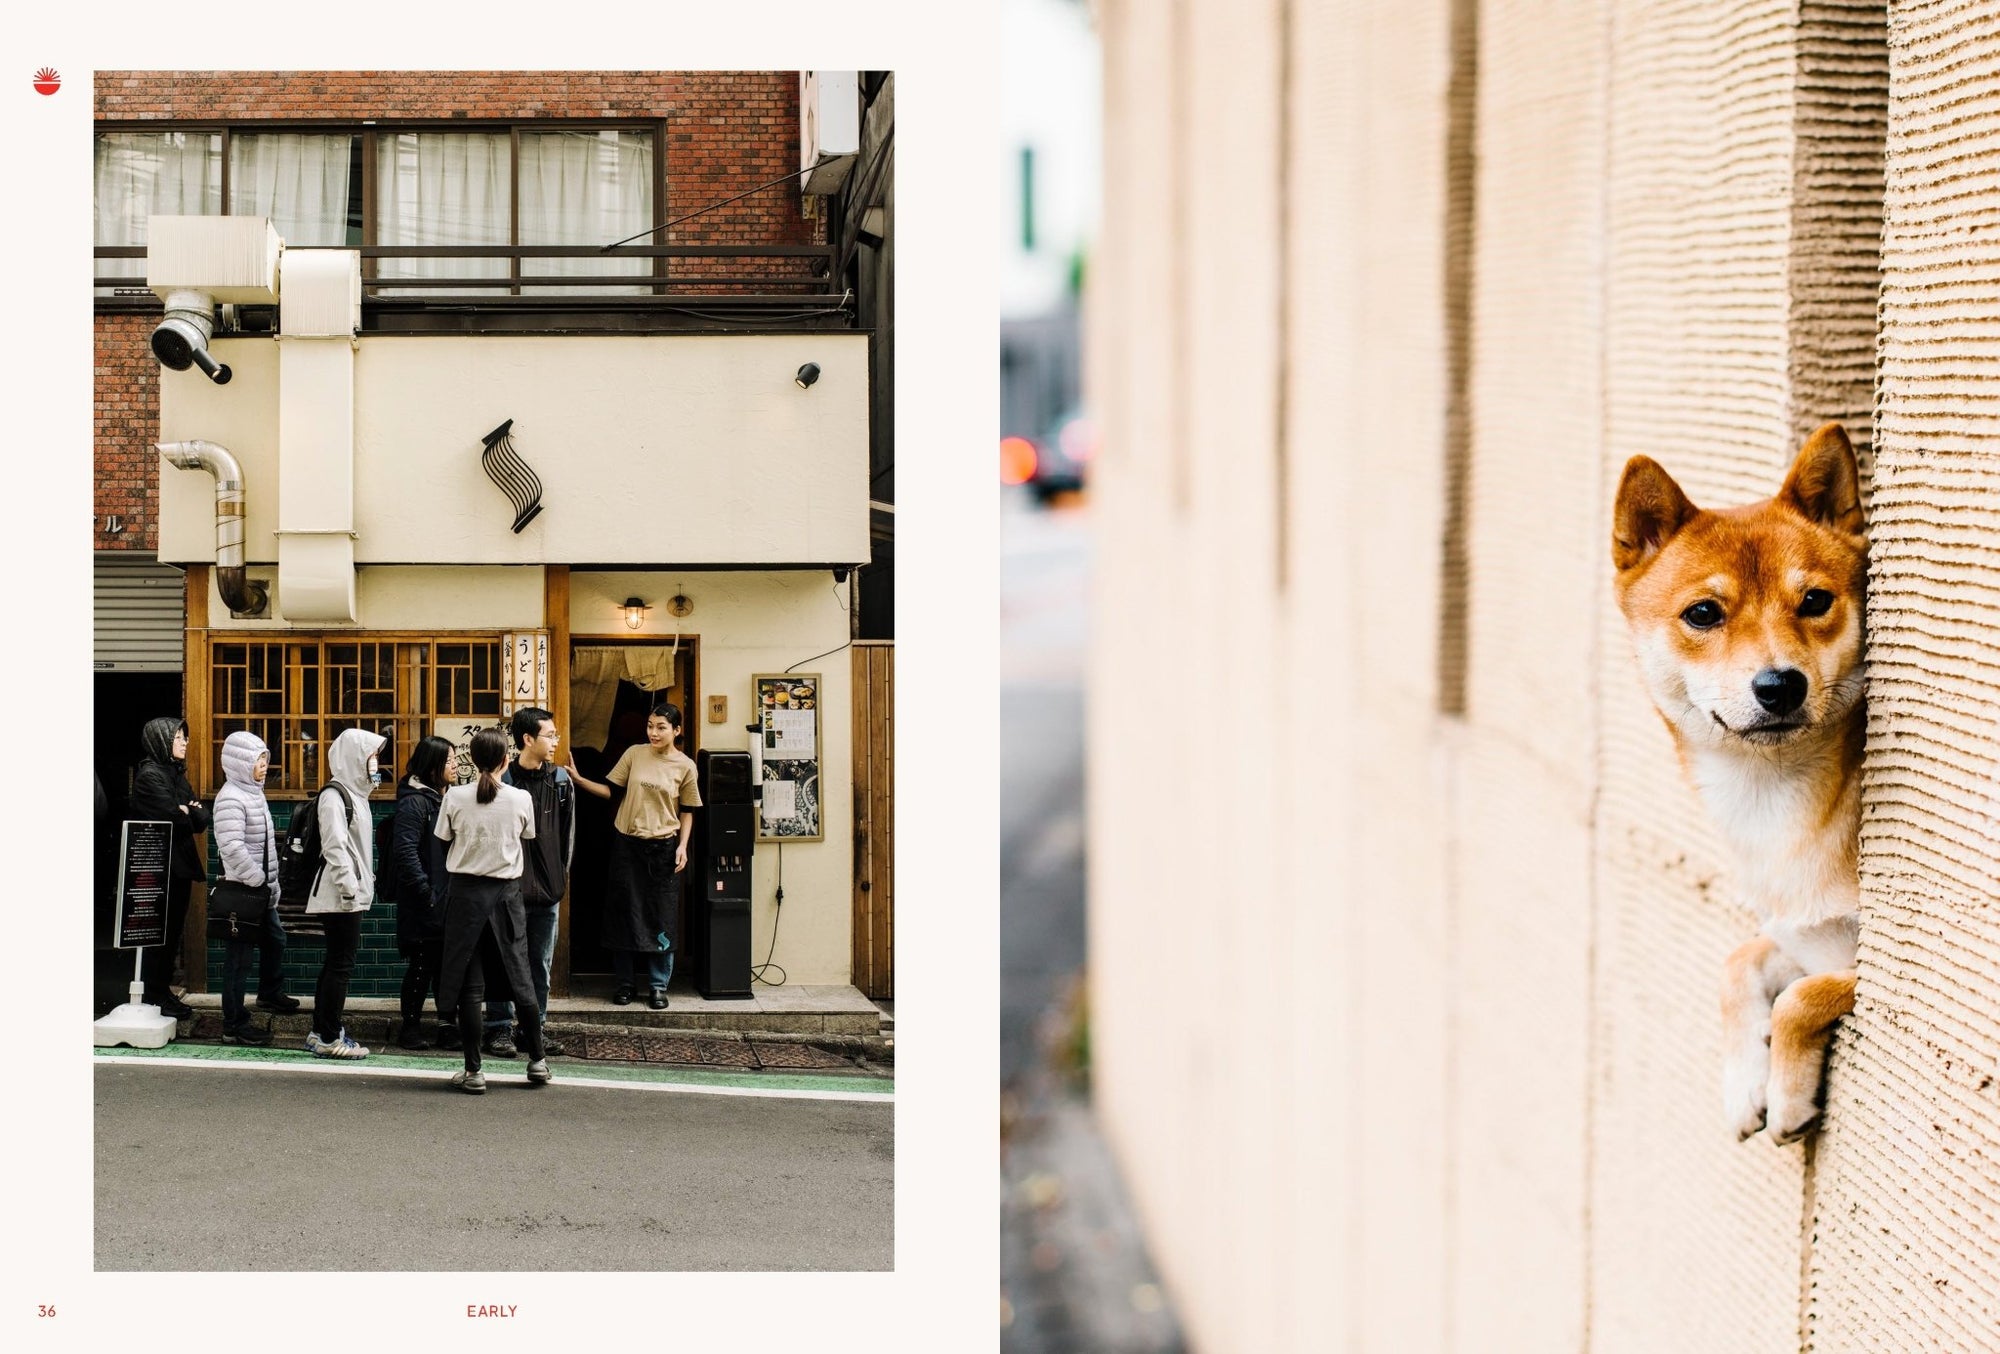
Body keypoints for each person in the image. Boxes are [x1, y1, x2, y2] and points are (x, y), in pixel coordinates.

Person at [435, 727, 551, 1094]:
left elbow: (442, 842)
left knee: (471, 987)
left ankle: (474, 1071)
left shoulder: (454, 796)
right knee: (521, 979)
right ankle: (537, 1061)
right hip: (505, 896)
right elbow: (528, 840)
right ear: (506, 759)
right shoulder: (519, 799)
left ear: (472, 758)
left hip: (465, 897)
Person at [480, 707, 599, 1059]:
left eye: (556, 735)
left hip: (547, 890)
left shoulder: (561, 781)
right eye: (550, 735)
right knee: (503, 959)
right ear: (527, 739)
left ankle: (533, 1027)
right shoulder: (503, 782)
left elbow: (568, 836)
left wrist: (560, 879)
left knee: (539, 963)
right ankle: (498, 1028)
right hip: (507, 888)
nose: (556, 741)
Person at [579, 701, 701, 1009]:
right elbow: (611, 791)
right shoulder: (634, 754)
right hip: (627, 845)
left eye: (661, 727)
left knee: (662, 917)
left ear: (676, 730)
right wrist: (578, 779)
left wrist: (683, 846)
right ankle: (625, 983)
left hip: (663, 848)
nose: (654, 732)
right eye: (650, 726)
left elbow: (687, 811)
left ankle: (659, 986)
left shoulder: (686, 765)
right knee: (624, 915)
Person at [303, 726, 386, 1060]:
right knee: (341, 965)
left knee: (336, 963)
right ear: (355, 758)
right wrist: (351, 889)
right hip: (340, 895)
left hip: (347, 893)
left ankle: (321, 1030)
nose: (376, 764)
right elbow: (335, 847)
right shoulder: (334, 796)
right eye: (371, 756)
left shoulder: (356, 795)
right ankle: (328, 1035)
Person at [210, 731, 296, 1045]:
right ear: (240, 763)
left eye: (265, 760)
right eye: (258, 761)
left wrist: (268, 884)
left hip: (261, 891)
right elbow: (231, 846)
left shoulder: (253, 793)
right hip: (243, 891)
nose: (264, 766)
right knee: (239, 960)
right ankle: (233, 1024)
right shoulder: (231, 797)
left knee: (275, 939)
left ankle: (269, 993)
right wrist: (258, 879)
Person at [127, 717, 207, 1019]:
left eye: (184, 737)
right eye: (178, 737)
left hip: (179, 867)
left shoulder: (175, 774)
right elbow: (175, 818)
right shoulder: (150, 776)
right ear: (161, 740)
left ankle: (162, 992)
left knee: (172, 932)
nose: (185, 742)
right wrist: (185, 810)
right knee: (158, 933)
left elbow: (201, 818)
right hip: (159, 868)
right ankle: (155, 993)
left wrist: (188, 810)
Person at [391, 736, 458, 1051]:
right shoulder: (415, 802)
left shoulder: (443, 797)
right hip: (424, 901)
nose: (456, 765)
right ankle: (411, 1028)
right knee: (422, 964)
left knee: (446, 966)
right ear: (433, 766)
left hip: (444, 898)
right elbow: (404, 852)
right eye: (449, 761)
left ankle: (447, 1027)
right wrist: (426, 892)